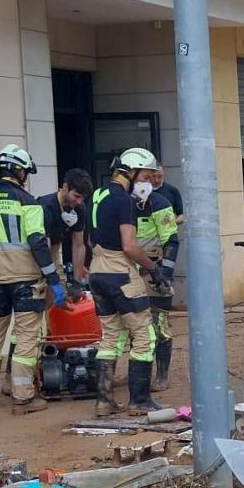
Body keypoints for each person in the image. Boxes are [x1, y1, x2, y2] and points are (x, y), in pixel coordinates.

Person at [0, 145, 65, 414]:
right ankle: (23, 398)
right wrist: (53, 278)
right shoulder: (28, 203)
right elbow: (37, 242)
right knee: (25, 339)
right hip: (26, 283)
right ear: (19, 171)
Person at [88, 148, 165, 416]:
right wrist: (154, 268)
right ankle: (139, 401)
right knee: (144, 335)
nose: (147, 181)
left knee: (109, 337)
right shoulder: (124, 201)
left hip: (97, 271)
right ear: (131, 171)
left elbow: (89, 239)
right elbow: (130, 246)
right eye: (144, 175)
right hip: (121, 272)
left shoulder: (97, 195)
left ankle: (104, 401)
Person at [135, 172, 181, 387]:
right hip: (128, 271)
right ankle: (140, 372)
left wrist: (166, 276)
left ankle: (162, 375)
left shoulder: (160, 202)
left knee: (159, 324)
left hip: (155, 272)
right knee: (135, 327)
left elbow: (171, 240)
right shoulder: (121, 202)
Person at [39, 169, 94, 288]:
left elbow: (78, 245)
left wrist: (77, 281)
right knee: (45, 288)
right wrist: (50, 277)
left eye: (83, 198)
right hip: (39, 248)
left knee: (61, 288)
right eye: (76, 196)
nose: (79, 202)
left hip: (55, 246)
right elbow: (44, 246)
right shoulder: (45, 206)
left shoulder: (80, 208)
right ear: (65, 187)